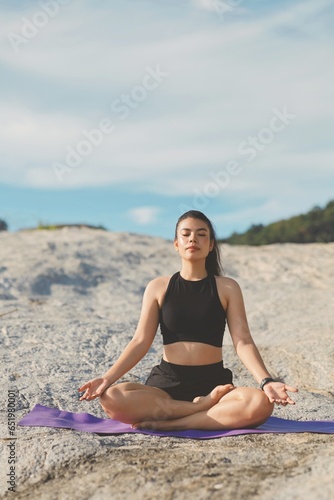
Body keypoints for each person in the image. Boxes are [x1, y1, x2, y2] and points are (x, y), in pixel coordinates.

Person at [78, 210, 298, 430]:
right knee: (112, 398)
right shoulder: (158, 287)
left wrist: (266, 381)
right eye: (186, 234)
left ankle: (174, 424)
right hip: (166, 386)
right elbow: (140, 340)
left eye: (202, 234)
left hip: (213, 384)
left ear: (211, 245)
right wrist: (107, 378)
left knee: (259, 403)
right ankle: (197, 409)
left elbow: (243, 341)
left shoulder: (227, 287)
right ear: (176, 244)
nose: (193, 239)